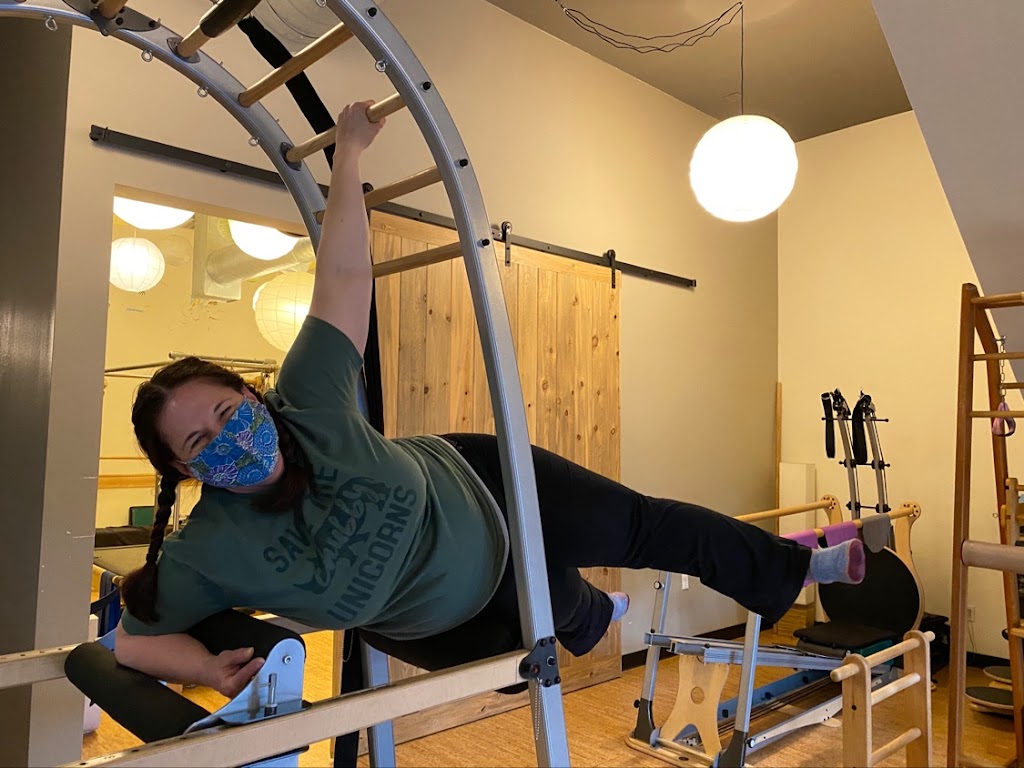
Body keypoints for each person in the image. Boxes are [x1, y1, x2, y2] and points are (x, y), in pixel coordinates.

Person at [114, 101, 865, 698]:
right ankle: (590, 612)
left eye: (227, 412)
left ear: (252, 395)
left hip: (476, 483)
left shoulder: (305, 399)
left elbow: (342, 276)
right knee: (533, 638)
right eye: (200, 442)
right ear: (182, 470)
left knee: (638, 524)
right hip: (455, 616)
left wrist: (349, 158)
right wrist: (205, 669)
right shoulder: (207, 551)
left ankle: (793, 569)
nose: (229, 437)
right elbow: (131, 643)